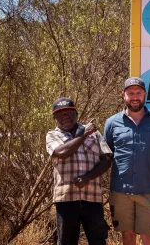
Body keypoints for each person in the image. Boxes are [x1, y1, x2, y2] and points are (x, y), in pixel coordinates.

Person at [104, 77, 150, 245]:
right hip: (120, 191)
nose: (135, 96)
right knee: (128, 236)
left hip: (148, 190)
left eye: (138, 93)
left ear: (145, 94)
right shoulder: (111, 123)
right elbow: (108, 153)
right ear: (123, 95)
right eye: (130, 93)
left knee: (149, 237)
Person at [45, 97, 112, 245]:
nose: (65, 117)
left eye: (69, 113)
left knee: (98, 241)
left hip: (92, 198)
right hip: (66, 199)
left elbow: (107, 159)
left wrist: (88, 177)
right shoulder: (52, 135)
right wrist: (83, 135)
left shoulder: (94, 133)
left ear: (76, 114)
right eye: (61, 114)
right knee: (67, 242)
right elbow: (62, 152)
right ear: (54, 118)